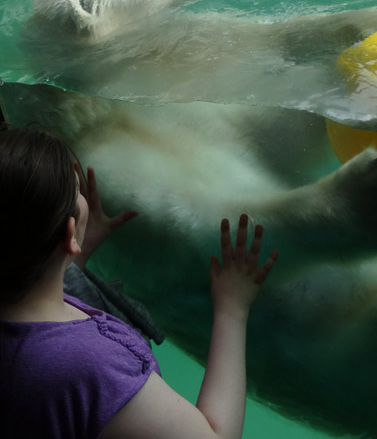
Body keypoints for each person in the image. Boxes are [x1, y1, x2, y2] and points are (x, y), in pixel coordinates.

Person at [0, 124, 278, 439]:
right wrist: (232, 308)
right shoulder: (95, 369)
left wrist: (75, 253)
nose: (84, 196)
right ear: (68, 232)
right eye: (77, 193)